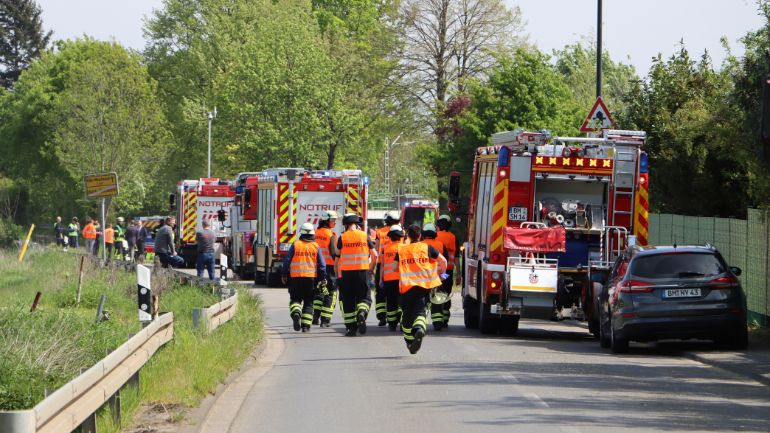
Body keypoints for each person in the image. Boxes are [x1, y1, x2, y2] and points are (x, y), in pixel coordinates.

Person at [397, 224, 447, 354]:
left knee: (407, 318)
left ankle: (409, 342)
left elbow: (395, 268)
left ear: (408, 236)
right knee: (421, 312)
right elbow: (443, 261)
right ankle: (419, 328)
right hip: (424, 288)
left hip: (406, 288)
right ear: (420, 236)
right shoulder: (427, 248)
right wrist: (441, 275)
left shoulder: (402, 250)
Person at [336, 213, 377, 336]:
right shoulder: (365, 236)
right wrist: (370, 269)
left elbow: (337, 259)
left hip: (346, 274)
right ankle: (362, 312)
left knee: (347, 300)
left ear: (346, 224)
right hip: (362, 272)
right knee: (364, 297)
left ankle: (351, 329)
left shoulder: (342, 237)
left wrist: (338, 275)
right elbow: (375, 255)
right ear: (356, 224)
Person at [282, 222, 326, 332]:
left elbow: (287, 261)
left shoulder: (295, 244)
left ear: (301, 233)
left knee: (295, 299)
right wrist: (322, 278)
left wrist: (284, 274)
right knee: (309, 302)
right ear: (312, 234)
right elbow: (322, 265)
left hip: (295, 278)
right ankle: (305, 326)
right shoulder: (316, 246)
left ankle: (296, 313)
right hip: (311, 279)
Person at [313, 210, 339, 327]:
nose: (335, 223)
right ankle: (325, 320)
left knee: (319, 291)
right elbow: (333, 252)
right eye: (333, 220)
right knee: (330, 293)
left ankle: (315, 316)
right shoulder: (331, 235)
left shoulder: (314, 233)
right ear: (327, 221)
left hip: (316, 268)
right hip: (329, 268)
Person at [373, 210, 400, 326]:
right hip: (398, 265)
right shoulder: (401, 231)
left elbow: (377, 249)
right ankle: (397, 313)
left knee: (380, 292)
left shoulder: (379, 232)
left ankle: (382, 317)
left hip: (382, 264)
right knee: (398, 292)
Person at [421, 223, 449, 331]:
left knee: (423, 302)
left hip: (422, 280)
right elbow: (445, 262)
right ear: (434, 234)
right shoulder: (441, 245)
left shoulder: (420, 245)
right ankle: (437, 323)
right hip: (436, 279)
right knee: (437, 301)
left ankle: (421, 321)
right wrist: (443, 277)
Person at [435, 214, 461, 329]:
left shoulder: (434, 236)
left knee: (436, 294)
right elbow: (456, 258)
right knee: (446, 293)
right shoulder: (453, 237)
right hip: (447, 273)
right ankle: (445, 319)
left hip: (435, 273)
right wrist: (459, 274)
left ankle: (438, 318)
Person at [379, 224, 404, 331]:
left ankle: (392, 324)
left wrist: (380, 279)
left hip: (388, 280)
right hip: (401, 280)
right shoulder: (404, 247)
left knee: (390, 302)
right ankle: (402, 319)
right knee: (402, 301)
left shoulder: (386, 248)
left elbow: (382, 265)